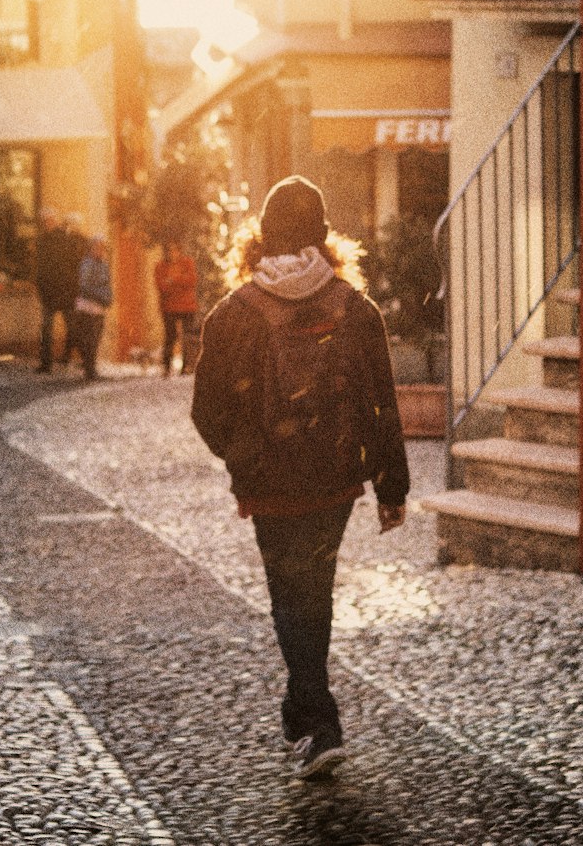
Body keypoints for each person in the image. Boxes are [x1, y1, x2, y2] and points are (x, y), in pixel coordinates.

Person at [192, 175, 409, 780]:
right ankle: (305, 712)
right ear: (322, 236)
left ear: (261, 239)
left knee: (291, 594)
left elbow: (206, 411)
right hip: (334, 479)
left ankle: (317, 721)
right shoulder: (354, 309)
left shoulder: (232, 315)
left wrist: (244, 462)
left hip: (270, 483)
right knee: (314, 587)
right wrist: (392, 488)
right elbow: (380, 404)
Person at [71, 235, 113, 381]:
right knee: (86, 339)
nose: (99, 250)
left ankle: (91, 368)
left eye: (101, 247)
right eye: (96, 247)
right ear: (91, 248)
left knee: (95, 340)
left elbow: (107, 284)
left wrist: (108, 298)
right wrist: (101, 296)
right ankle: (89, 368)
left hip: (99, 307)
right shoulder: (86, 264)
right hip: (86, 306)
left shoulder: (104, 264)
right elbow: (84, 285)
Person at [154, 241, 198, 375]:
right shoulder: (161, 266)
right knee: (170, 337)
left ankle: (186, 366)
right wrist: (179, 282)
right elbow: (162, 286)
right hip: (169, 307)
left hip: (187, 306)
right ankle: (167, 366)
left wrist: (173, 280)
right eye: (170, 251)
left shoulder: (187, 263)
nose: (172, 253)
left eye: (175, 250)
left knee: (187, 337)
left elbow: (192, 280)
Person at [55, 212, 88, 363]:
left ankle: (76, 355)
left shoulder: (72, 243)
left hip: (74, 289)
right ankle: (76, 356)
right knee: (73, 323)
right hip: (73, 289)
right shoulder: (82, 242)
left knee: (73, 324)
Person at [34, 207, 64, 373]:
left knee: (73, 326)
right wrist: (40, 284)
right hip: (48, 290)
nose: (47, 223)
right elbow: (39, 265)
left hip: (63, 289)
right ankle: (46, 362)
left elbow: (67, 264)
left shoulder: (61, 238)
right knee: (46, 328)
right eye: (45, 221)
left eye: (50, 220)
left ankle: (83, 361)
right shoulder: (41, 240)